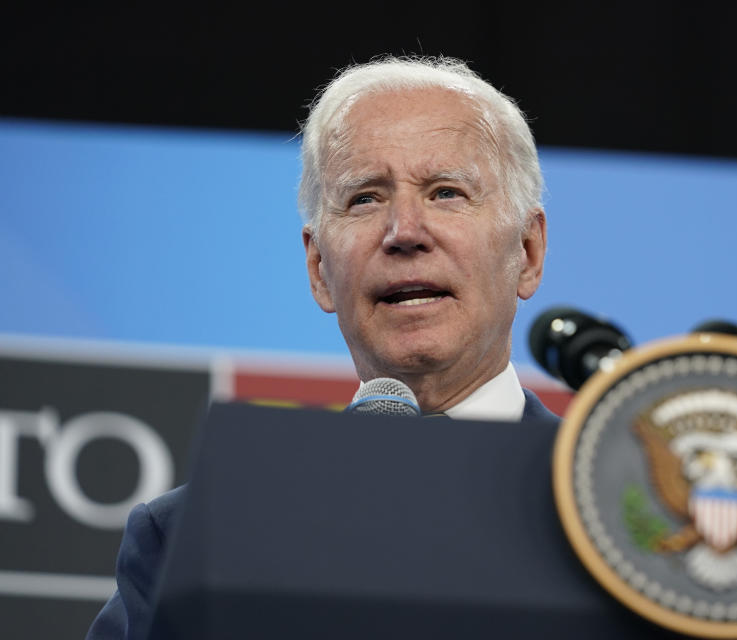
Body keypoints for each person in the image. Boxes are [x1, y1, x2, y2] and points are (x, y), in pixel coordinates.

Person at [86, 56, 556, 639]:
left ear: (528, 252)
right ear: (318, 269)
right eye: (364, 198)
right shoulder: (197, 538)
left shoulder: (624, 518)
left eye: (446, 192)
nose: (404, 231)